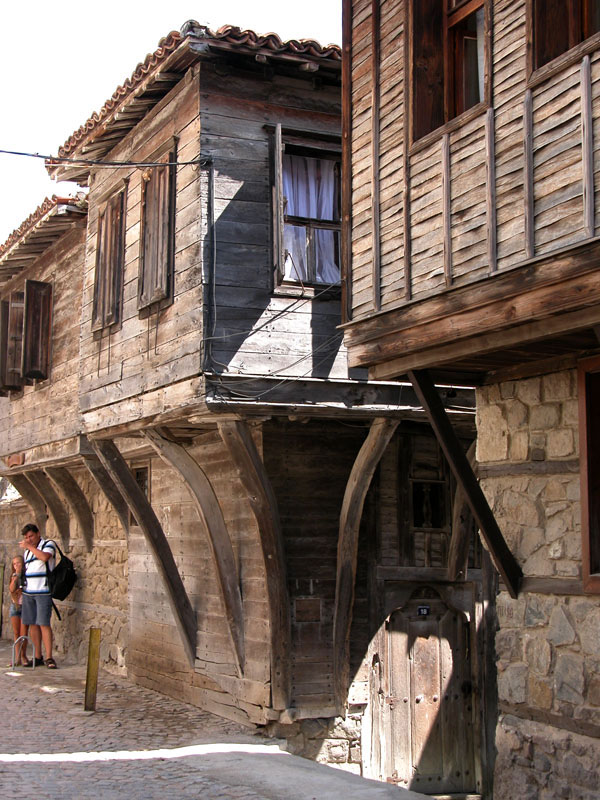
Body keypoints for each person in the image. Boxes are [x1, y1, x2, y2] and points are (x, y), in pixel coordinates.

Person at [19, 523, 57, 669]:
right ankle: (38, 655)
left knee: (44, 623)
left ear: (38, 534)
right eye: (26, 537)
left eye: (31, 536)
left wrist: (29, 547)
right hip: (29, 592)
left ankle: (49, 657)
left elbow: (45, 557)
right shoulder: (28, 552)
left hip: (43, 591)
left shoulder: (48, 544)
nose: (29, 539)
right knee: (33, 624)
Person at [8, 555, 30, 666]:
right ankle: (17, 657)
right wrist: (16, 576)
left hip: (25, 605)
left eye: (18, 563)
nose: (16, 565)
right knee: (16, 632)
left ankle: (23, 655)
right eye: (14, 564)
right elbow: (11, 589)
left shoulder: (27, 576)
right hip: (15, 606)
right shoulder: (14, 576)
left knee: (23, 633)